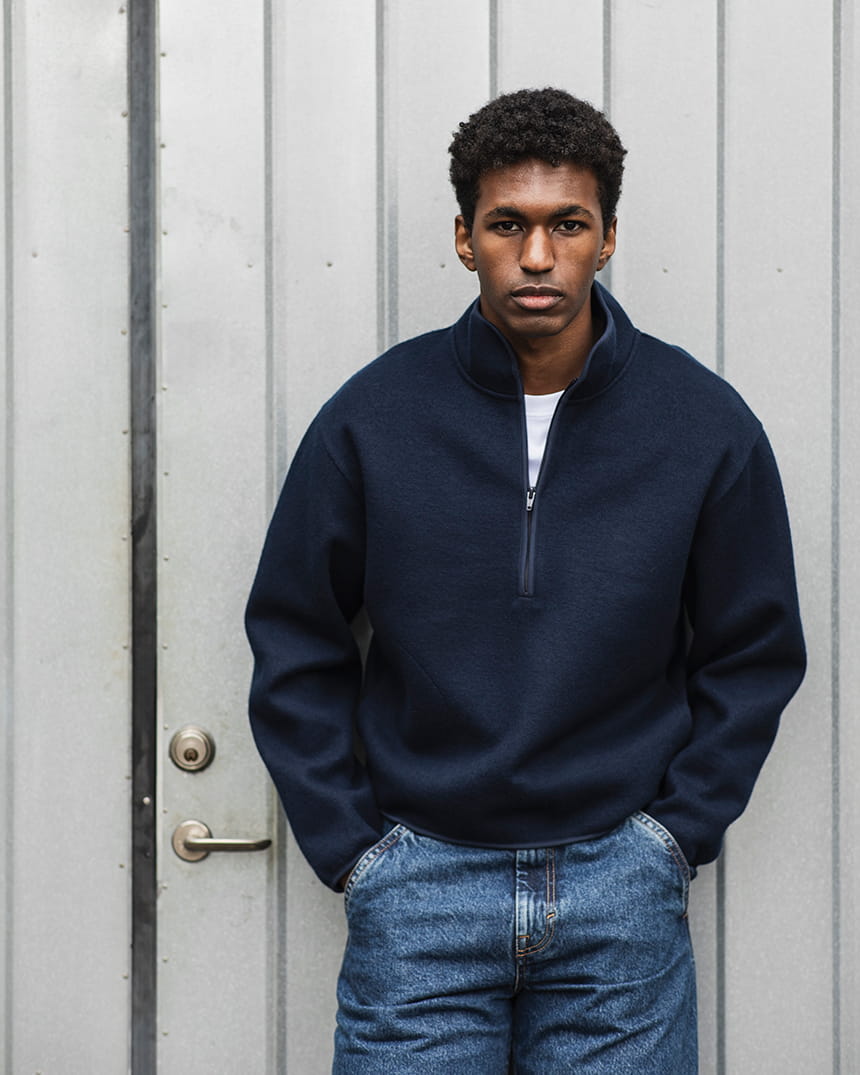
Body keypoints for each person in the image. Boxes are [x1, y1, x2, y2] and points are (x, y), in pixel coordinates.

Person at [245, 87, 806, 1073]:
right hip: (419, 887)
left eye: (567, 225)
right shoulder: (372, 419)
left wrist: (673, 836)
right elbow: (295, 634)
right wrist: (354, 849)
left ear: (607, 237)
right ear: (464, 239)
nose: (537, 255)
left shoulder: (701, 424)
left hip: (618, 891)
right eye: (507, 224)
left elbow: (752, 650)